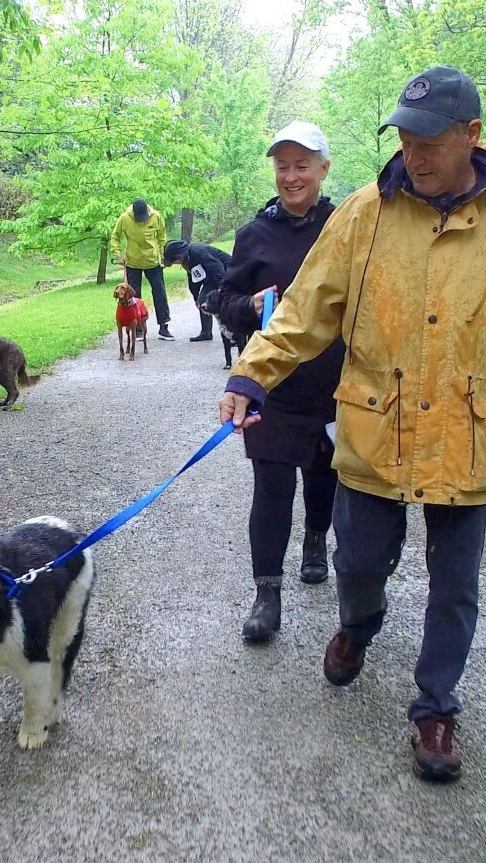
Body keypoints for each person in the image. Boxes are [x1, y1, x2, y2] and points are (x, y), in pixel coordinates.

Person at [218, 66, 486, 785]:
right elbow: (307, 307)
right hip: (379, 427)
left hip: (469, 431)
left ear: (472, 135)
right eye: (406, 139)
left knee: (455, 583)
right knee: (357, 563)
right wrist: (254, 371)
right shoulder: (365, 214)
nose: (416, 154)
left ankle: (436, 708)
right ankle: (360, 625)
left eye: (431, 140)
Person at [210, 121, 344, 643]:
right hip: (271, 385)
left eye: (302, 165)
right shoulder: (253, 235)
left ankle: (315, 541)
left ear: (322, 169)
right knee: (271, 487)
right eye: (283, 166)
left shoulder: (344, 228)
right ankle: (267, 594)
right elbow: (222, 298)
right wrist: (246, 306)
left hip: (334, 384)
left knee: (323, 476)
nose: (291, 176)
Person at [108, 199, 174, 340]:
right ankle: (137, 328)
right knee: (134, 295)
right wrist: (118, 255)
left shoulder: (156, 216)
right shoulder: (125, 218)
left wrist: (163, 255)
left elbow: (162, 237)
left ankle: (164, 327)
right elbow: (115, 237)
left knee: (160, 292)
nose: (141, 221)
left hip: (153, 261)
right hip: (133, 262)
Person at [162, 238, 230, 343]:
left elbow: (218, 268)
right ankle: (206, 332)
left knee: (226, 303)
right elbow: (194, 280)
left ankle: (233, 333)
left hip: (227, 273)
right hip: (211, 277)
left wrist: (223, 289)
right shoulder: (187, 260)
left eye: (174, 261)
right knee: (202, 300)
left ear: (179, 255)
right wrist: (196, 297)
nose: (175, 263)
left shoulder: (198, 252)